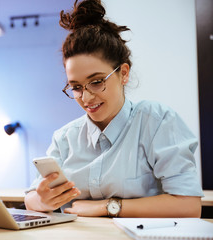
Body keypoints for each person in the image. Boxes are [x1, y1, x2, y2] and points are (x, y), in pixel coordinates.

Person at [24, 0, 203, 218]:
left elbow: (188, 206)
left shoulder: (156, 121)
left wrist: (107, 206)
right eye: (76, 87)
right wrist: (41, 200)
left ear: (124, 73)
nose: (87, 97)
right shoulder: (65, 138)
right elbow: (31, 197)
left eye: (97, 81)